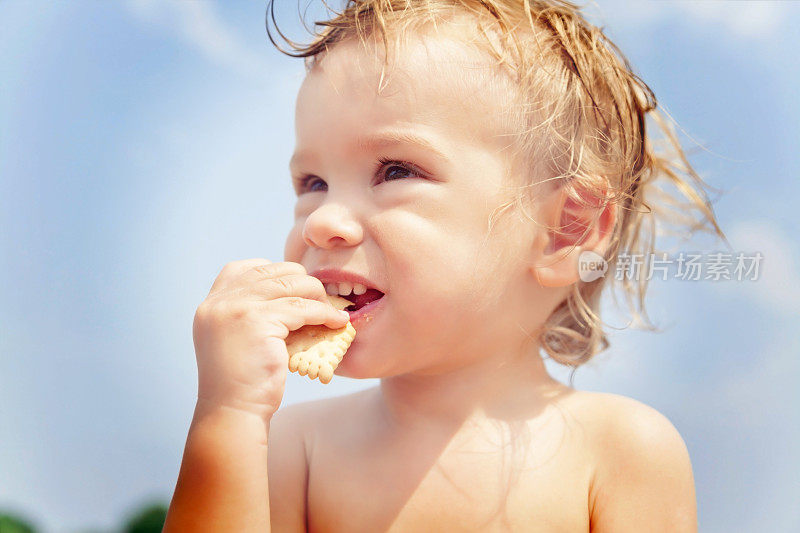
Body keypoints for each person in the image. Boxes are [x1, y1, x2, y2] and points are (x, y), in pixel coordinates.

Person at [164, 1, 725, 531]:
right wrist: (228, 414)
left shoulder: (621, 451)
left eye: (395, 171)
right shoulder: (294, 449)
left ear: (564, 231)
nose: (321, 222)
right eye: (313, 183)